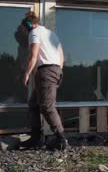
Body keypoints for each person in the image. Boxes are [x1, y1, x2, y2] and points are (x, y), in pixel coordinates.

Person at [21, 11, 69, 150]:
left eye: (24, 30)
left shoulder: (34, 32)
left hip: (46, 71)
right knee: (34, 104)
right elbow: (61, 57)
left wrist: (26, 73)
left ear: (28, 25)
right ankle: (37, 138)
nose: (25, 33)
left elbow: (33, 55)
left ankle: (62, 139)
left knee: (47, 107)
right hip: (54, 70)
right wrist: (58, 71)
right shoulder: (51, 34)